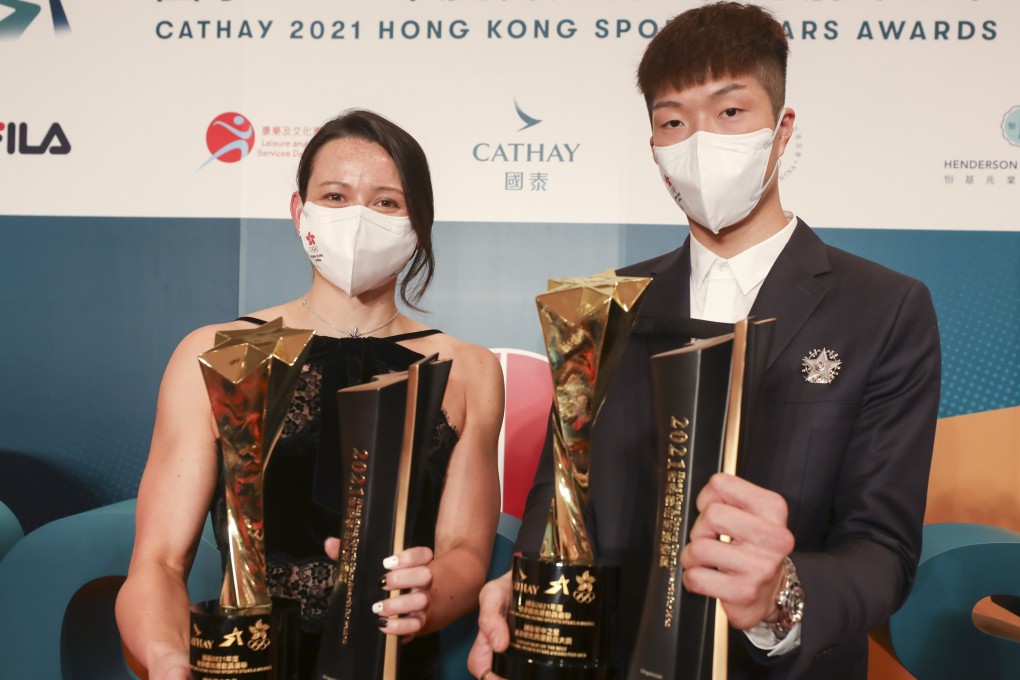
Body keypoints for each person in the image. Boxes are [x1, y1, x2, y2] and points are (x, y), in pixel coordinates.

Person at [469, 3, 940, 679]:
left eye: (730, 113)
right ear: (655, 147)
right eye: (672, 122)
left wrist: (779, 597)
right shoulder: (601, 307)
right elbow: (559, 502)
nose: (699, 141)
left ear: (782, 131)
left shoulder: (885, 309)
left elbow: (882, 550)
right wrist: (522, 593)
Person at [116, 109, 505, 680]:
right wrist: (168, 658)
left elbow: (466, 553)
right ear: (301, 212)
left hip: (393, 665)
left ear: (419, 222)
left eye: (386, 203)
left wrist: (427, 597)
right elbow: (156, 563)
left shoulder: (468, 368)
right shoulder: (219, 351)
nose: (358, 218)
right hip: (244, 664)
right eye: (335, 195)